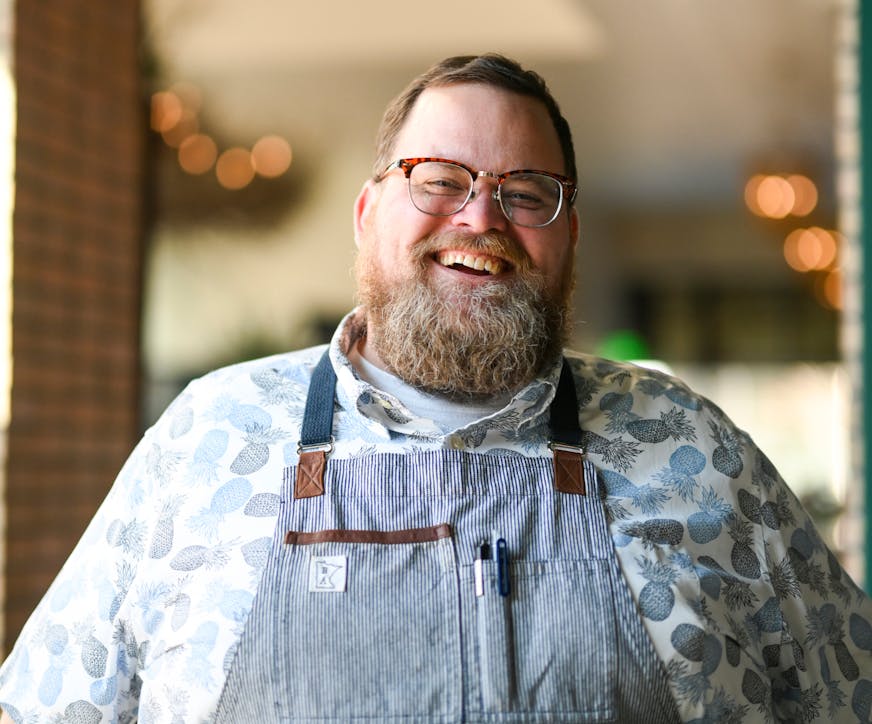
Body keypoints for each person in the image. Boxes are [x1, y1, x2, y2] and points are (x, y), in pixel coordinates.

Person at [0, 52, 870, 724]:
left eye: (527, 193)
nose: (481, 218)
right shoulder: (209, 437)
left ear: (568, 237)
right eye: (440, 179)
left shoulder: (692, 449)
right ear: (368, 212)